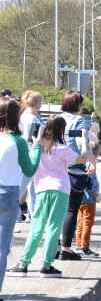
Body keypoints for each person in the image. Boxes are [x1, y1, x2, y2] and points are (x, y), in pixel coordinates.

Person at [7, 114, 94, 279]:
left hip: (42, 190)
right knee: (54, 228)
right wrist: (83, 139)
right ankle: (46, 266)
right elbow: (83, 160)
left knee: (36, 227)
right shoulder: (62, 149)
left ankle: (23, 263)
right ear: (61, 130)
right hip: (60, 190)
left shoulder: (37, 148)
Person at [0, 97, 43, 301]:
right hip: (7, 193)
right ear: (16, 117)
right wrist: (37, 148)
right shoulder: (17, 141)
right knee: (1, 248)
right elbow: (29, 170)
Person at [59, 91, 91, 261]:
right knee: (71, 210)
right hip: (74, 169)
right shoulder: (79, 121)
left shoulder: (56, 119)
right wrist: (91, 161)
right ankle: (66, 248)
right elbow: (83, 146)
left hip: (55, 168)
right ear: (77, 105)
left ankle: (55, 246)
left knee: (56, 211)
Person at [18, 90, 45, 223]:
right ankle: (18, 215)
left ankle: (32, 214)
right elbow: (32, 139)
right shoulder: (31, 119)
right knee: (24, 186)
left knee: (31, 187)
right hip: (30, 155)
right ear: (37, 103)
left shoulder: (26, 116)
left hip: (27, 154)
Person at [75, 137, 101, 257]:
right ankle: (85, 248)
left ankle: (78, 246)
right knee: (88, 223)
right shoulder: (91, 166)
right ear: (95, 155)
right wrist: (96, 196)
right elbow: (91, 184)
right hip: (89, 199)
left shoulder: (81, 163)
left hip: (80, 197)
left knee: (80, 222)